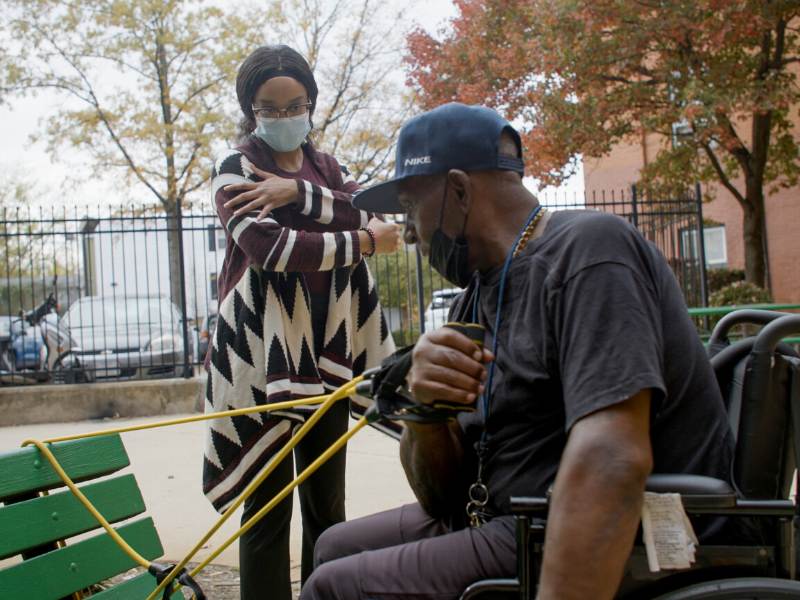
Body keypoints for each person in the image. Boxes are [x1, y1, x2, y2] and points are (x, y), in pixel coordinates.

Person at [299, 103, 746, 600]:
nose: (406, 232)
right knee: (333, 547)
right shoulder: (477, 293)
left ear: (460, 191)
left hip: (583, 531)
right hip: (502, 517)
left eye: (411, 207)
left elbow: (612, 456)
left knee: (332, 588)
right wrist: (425, 410)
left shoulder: (590, 254)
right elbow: (439, 496)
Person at [202, 45, 400, 600]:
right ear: (250, 108)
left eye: (296, 105)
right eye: (270, 107)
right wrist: (360, 241)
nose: (285, 117)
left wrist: (295, 192)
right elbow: (269, 248)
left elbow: (375, 207)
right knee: (265, 514)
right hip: (261, 359)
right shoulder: (233, 169)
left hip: (328, 352)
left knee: (327, 508)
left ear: (310, 103)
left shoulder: (326, 167)